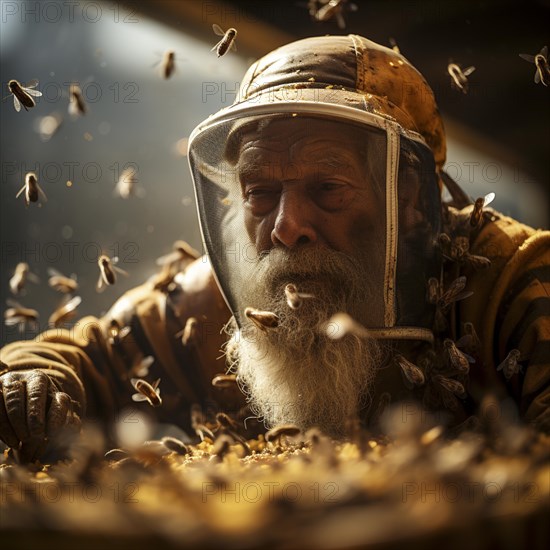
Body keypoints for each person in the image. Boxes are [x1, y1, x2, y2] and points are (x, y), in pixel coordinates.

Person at [1, 35, 549, 461]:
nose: (287, 228)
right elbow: (78, 358)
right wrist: (28, 383)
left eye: (327, 189)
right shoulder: (211, 306)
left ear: (409, 198)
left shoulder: (516, 280)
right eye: (261, 193)